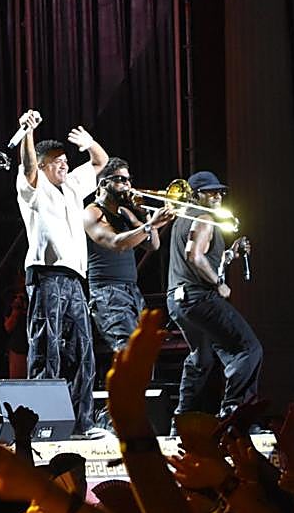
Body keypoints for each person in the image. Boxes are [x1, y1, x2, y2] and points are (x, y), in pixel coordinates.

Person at [12, 109, 108, 436]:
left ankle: (84, 423)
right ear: (43, 166)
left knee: (83, 351)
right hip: (47, 274)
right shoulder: (34, 188)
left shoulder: (72, 188)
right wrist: (28, 134)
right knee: (46, 348)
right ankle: (40, 423)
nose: (64, 165)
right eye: (56, 161)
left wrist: (90, 142)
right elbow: (27, 165)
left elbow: (99, 163)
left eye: (65, 160)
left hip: (74, 278)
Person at [165, 170, 261, 426]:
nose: (217, 195)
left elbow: (202, 258)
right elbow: (194, 256)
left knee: (202, 357)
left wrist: (229, 254)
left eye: (219, 191)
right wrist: (219, 283)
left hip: (178, 300)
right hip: (199, 298)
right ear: (195, 195)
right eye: (210, 191)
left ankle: (182, 420)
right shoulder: (205, 218)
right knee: (248, 349)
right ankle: (235, 414)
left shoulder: (181, 221)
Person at [83, 158, 174, 418]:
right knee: (125, 352)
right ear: (104, 184)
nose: (127, 184)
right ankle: (111, 417)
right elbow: (114, 242)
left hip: (131, 291)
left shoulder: (125, 213)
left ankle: (128, 415)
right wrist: (152, 224)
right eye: (121, 179)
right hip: (107, 292)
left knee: (141, 355)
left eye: (128, 179)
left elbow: (152, 244)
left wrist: (146, 215)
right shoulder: (91, 212)